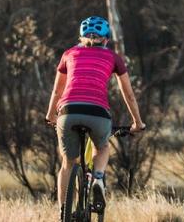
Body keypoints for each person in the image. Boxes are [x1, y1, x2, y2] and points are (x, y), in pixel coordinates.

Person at [45, 15, 144, 211]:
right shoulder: (113, 57)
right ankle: (98, 177)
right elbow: (129, 94)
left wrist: (50, 115)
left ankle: (64, 212)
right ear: (106, 39)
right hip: (97, 112)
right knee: (102, 147)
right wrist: (137, 122)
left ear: (81, 38)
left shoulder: (69, 54)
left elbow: (57, 90)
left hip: (68, 111)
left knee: (68, 163)